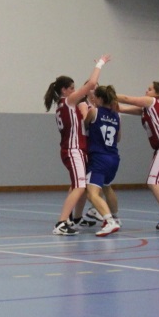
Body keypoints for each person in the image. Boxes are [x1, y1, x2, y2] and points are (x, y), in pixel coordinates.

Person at [43, 55, 111, 236]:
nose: (74, 91)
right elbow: (91, 84)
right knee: (80, 186)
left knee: (78, 186)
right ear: (64, 90)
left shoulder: (64, 105)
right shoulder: (68, 101)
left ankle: (72, 219)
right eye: (72, 88)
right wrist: (100, 64)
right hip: (73, 150)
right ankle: (61, 223)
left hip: (76, 149)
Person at [116, 82, 159, 230]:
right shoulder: (147, 109)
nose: (146, 90)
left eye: (150, 89)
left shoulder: (152, 101)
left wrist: (107, 93)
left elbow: (126, 99)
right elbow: (121, 108)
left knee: (153, 181)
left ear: (157, 94)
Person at [84, 85, 123, 237]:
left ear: (99, 98)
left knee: (92, 193)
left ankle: (109, 221)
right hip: (113, 157)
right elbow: (118, 138)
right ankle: (116, 217)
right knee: (107, 187)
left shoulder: (94, 111)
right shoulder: (117, 116)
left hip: (99, 158)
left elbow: (84, 126)